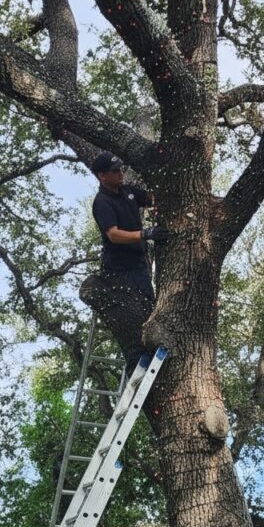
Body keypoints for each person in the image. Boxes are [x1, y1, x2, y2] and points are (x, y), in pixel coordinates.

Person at [89, 151, 169, 381]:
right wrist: (146, 234)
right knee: (136, 315)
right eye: (115, 171)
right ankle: (137, 365)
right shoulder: (102, 203)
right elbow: (113, 235)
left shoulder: (128, 191)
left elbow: (153, 198)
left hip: (138, 264)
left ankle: (147, 359)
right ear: (102, 176)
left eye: (120, 169)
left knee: (148, 307)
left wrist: (160, 205)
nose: (120, 173)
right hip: (120, 269)